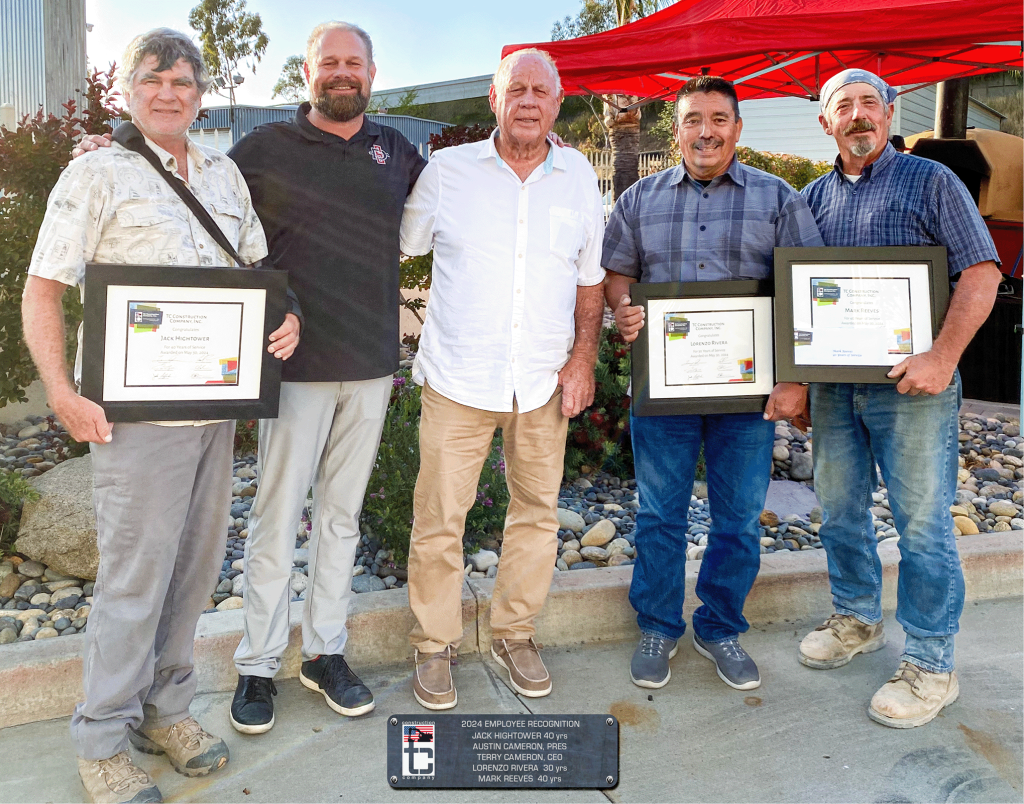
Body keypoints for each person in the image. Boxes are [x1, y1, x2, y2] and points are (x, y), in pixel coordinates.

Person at [22, 29, 297, 803]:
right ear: (131, 88)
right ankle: (103, 737)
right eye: (154, 78)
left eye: (184, 80)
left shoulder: (223, 176)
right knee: (133, 580)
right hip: (134, 423)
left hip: (215, 412)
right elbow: (42, 288)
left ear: (200, 93)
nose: (169, 92)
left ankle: (166, 711)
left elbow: (256, 272)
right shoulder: (96, 175)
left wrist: (288, 317)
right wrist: (60, 391)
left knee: (193, 573)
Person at [399, 48, 605, 710]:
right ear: (495, 98)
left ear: (558, 101)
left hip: (542, 381)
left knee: (537, 515)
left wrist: (581, 360)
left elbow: (590, 280)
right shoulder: (448, 171)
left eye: (540, 91)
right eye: (515, 89)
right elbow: (397, 249)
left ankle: (516, 634)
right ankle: (434, 646)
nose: (527, 100)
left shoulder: (577, 177)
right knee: (439, 519)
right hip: (457, 379)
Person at [603, 76, 823, 692]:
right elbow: (619, 277)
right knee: (660, 514)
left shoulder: (778, 198)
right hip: (664, 392)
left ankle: (720, 625)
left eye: (719, 119)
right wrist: (623, 310)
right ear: (676, 129)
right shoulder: (638, 200)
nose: (706, 131)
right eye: (694, 118)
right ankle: (657, 625)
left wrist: (796, 381)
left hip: (745, 397)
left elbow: (805, 295)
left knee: (738, 518)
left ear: (737, 128)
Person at [799, 68, 1001, 728]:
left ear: (888, 113)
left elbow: (983, 270)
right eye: (842, 106)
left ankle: (932, 665)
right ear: (825, 123)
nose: (857, 115)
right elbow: (796, 297)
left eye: (868, 103)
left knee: (923, 528)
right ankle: (857, 620)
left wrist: (943, 357)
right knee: (839, 513)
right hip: (834, 393)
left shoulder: (932, 181)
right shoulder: (811, 200)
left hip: (914, 391)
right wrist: (798, 376)